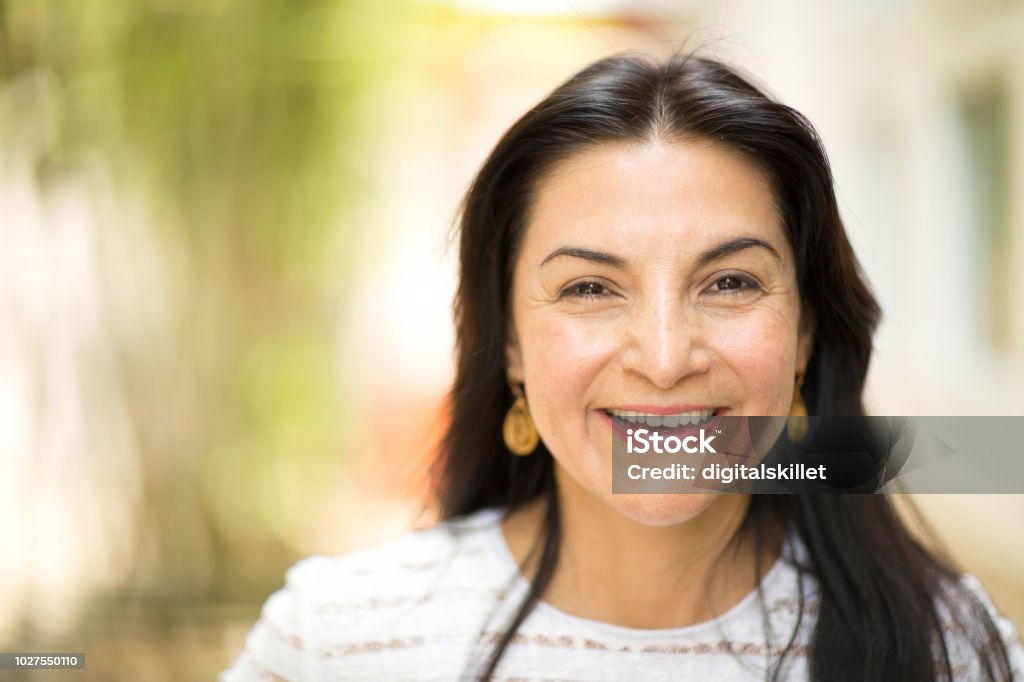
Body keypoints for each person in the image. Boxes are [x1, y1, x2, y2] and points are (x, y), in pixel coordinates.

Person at [222, 52, 1024, 681]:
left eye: (731, 282)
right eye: (590, 288)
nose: (667, 359)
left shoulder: (947, 646)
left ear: (807, 330)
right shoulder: (339, 640)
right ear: (508, 343)